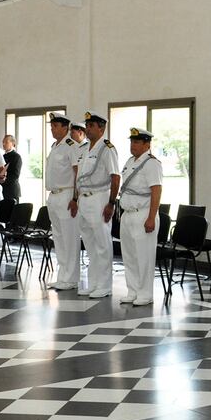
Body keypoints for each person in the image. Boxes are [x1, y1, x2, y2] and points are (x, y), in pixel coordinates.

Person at [74, 111, 119, 298]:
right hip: (84, 198)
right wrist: (76, 199)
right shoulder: (85, 148)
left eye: (91, 126)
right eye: (87, 125)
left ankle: (105, 285)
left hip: (100, 197)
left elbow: (115, 177)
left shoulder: (107, 149)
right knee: (90, 244)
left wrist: (111, 203)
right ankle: (93, 284)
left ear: (102, 128)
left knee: (102, 243)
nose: (88, 128)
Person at [119, 127, 163, 305]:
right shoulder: (130, 161)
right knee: (129, 256)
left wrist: (151, 217)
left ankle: (145, 293)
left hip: (143, 214)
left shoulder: (152, 163)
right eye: (131, 141)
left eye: (137, 142)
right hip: (128, 214)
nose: (133, 145)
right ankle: (133, 290)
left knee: (143, 256)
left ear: (147, 144)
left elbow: (156, 191)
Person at [45, 113, 81, 290]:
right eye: (51, 126)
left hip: (67, 195)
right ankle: (62, 276)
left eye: (54, 126)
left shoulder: (71, 146)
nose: (51, 129)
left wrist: (75, 198)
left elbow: (78, 174)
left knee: (69, 238)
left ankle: (72, 278)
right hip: (54, 196)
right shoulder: (55, 146)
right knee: (59, 238)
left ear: (65, 127)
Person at [0, 134, 22, 203]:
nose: (3, 144)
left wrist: (1, 180)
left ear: (12, 143)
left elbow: (15, 175)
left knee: (12, 213)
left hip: (12, 191)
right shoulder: (2, 156)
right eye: (3, 142)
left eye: (6, 142)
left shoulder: (16, 157)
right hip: (2, 189)